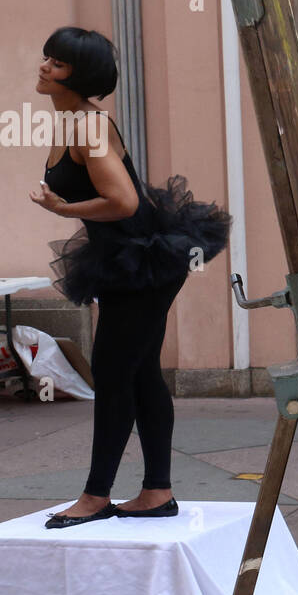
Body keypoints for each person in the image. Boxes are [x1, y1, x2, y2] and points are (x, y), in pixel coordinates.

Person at [29, 27, 231, 529]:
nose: (43, 66)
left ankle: (96, 496)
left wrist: (64, 208)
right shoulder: (74, 122)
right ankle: (156, 492)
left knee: (114, 374)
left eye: (56, 63)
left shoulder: (88, 128)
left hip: (141, 263)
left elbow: (124, 202)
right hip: (129, 260)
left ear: (80, 75)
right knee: (139, 373)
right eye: (46, 58)